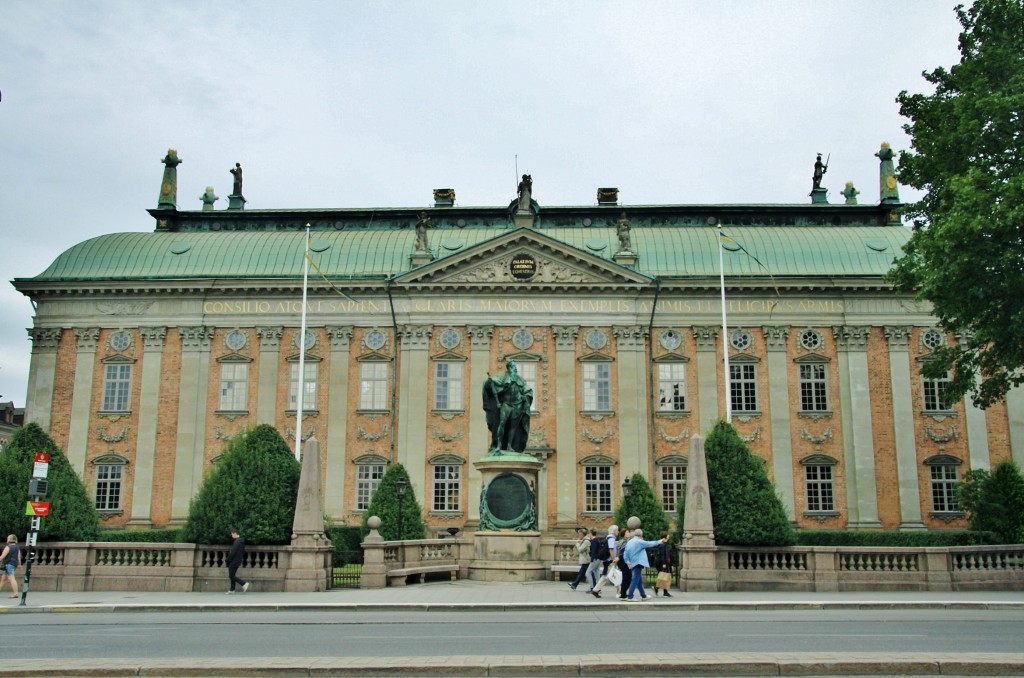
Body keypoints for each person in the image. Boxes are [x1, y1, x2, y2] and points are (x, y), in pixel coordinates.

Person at [482, 359, 533, 453]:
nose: (515, 368)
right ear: (509, 367)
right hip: (506, 404)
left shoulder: (520, 379)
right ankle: (498, 445)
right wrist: (488, 383)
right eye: (513, 366)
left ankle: (509, 446)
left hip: (517, 405)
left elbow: (528, 391)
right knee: (501, 423)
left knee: (513, 427)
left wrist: (525, 397)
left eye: (515, 367)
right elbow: (492, 383)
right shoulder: (502, 376)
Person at [622, 528, 669, 601]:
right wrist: (660, 541)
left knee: (639, 580)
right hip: (638, 562)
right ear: (641, 535)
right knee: (635, 579)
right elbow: (650, 543)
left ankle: (643, 595)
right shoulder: (639, 542)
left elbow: (625, 553)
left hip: (632, 562)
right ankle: (630, 596)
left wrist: (627, 561)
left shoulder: (629, 542)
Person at [589, 524, 619, 598]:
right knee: (616, 576)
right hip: (610, 560)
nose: (618, 532)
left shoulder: (608, 538)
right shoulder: (611, 538)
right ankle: (620, 592)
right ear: (614, 531)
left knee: (606, 576)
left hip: (607, 560)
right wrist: (614, 559)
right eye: (617, 530)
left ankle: (595, 590)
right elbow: (611, 549)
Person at [226, 529, 250, 594]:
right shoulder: (241, 541)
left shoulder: (237, 542)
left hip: (234, 560)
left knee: (231, 575)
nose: (231, 535)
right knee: (232, 575)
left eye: (232, 534)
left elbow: (233, 552)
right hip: (238, 560)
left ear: (235, 533)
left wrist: (228, 559)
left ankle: (244, 583)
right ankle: (232, 589)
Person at [652, 530, 674, 597]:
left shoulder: (664, 544)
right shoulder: (662, 544)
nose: (669, 535)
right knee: (664, 576)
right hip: (662, 563)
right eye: (667, 534)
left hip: (665, 563)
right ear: (665, 536)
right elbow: (662, 555)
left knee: (665, 576)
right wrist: (664, 563)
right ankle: (656, 587)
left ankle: (664, 592)